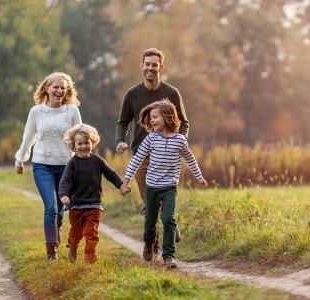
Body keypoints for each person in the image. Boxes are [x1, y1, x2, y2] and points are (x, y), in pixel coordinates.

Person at [115, 48, 188, 249]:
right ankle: (152, 242)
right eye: (147, 64)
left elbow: (183, 123)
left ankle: (167, 229)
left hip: (166, 155)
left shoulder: (171, 93)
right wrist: (121, 140)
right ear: (142, 66)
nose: (150, 68)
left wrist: (178, 143)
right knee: (150, 201)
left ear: (161, 67)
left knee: (164, 196)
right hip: (142, 154)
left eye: (154, 65)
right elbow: (122, 122)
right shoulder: (133, 94)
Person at [121, 99, 207, 269]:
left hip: (169, 187)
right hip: (152, 187)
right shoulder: (151, 139)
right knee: (150, 222)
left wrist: (200, 177)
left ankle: (169, 256)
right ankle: (148, 244)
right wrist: (125, 180)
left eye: (155, 117)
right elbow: (137, 159)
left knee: (169, 219)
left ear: (167, 117)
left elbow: (190, 159)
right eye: (150, 118)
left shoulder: (180, 140)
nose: (152, 120)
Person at [14, 72, 82, 263]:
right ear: (46, 88)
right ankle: (51, 251)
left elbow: (80, 138)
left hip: (66, 168)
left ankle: (57, 227)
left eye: (63, 88)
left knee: (60, 210)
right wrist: (20, 160)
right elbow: (28, 138)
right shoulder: (36, 112)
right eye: (56, 87)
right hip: (42, 166)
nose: (60, 91)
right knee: (51, 207)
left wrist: (83, 164)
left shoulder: (71, 111)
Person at [59, 124, 130, 264]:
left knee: (91, 232)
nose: (83, 146)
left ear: (93, 143)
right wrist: (64, 195)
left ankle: (89, 257)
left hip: (94, 204)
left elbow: (111, 174)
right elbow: (64, 181)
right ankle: (73, 247)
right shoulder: (72, 163)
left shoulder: (97, 161)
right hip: (76, 205)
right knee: (76, 233)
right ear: (74, 145)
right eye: (80, 143)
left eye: (87, 143)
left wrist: (121, 185)